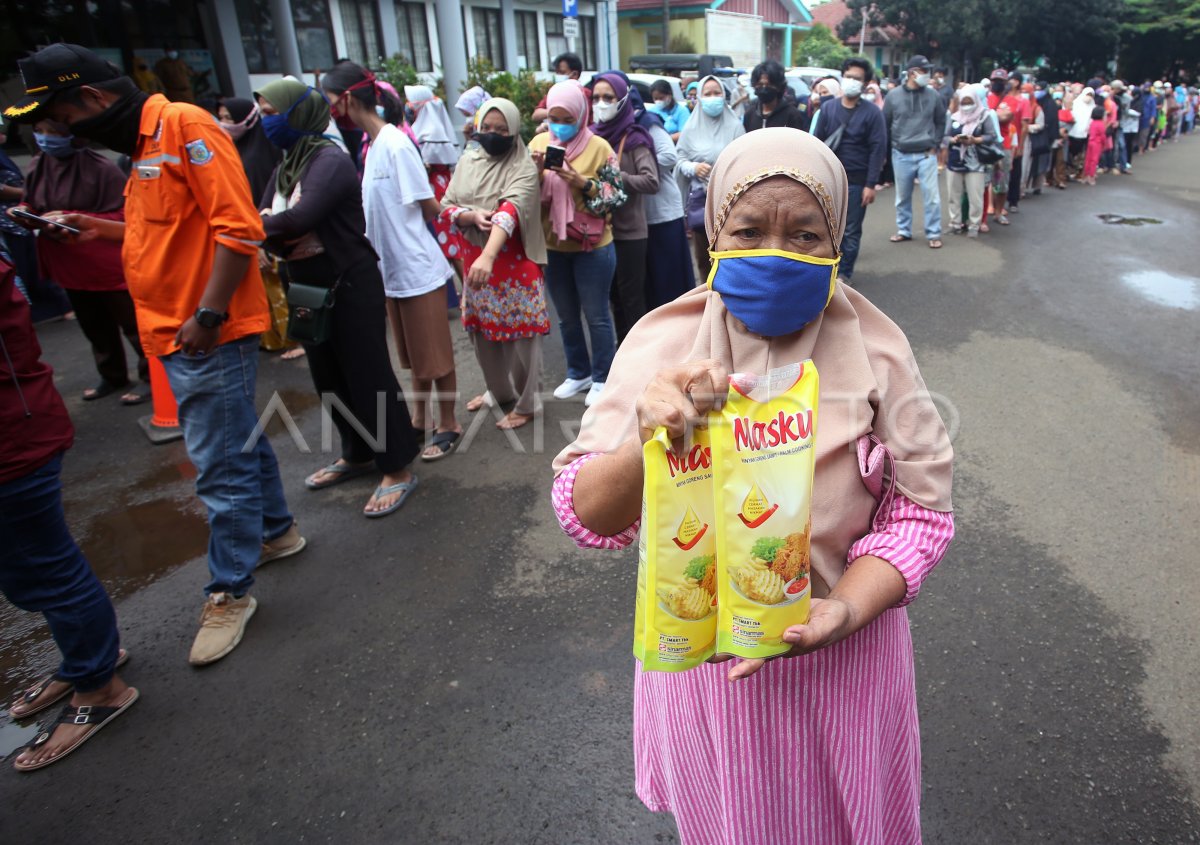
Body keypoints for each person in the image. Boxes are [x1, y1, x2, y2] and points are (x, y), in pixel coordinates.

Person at [550, 127, 954, 843]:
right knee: (733, 822)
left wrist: (847, 611)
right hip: (709, 670)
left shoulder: (879, 350)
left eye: (805, 235)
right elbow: (587, 513)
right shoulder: (660, 344)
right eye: (748, 229)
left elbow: (922, 513)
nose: (776, 252)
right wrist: (650, 437)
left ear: (836, 242)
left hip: (846, 662)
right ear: (711, 235)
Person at [7, 44, 308, 665]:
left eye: (59, 115)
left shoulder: (185, 126)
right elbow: (170, 230)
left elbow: (239, 229)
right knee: (235, 440)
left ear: (90, 100)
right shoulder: (142, 145)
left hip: (204, 330)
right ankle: (277, 532)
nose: (57, 130)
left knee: (218, 463)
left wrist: (208, 315)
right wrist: (95, 227)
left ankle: (230, 591)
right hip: (175, 327)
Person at [255, 77, 423, 513]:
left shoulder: (329, 160)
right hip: (306, 283)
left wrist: (266, 227)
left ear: (299, 114)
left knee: (367, 375)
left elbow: (298, 216)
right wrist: (270, 226)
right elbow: (269, 214)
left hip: (347, 281)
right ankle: (357, 452)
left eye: (273, 113)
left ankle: (396, 466)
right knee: (328, 375)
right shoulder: (289, 161)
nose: (265, 121)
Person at [0, 253, 138, 772]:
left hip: (14, 441)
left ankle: (99, 684)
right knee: (26, 570)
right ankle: (90, 659)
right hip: (18, 435)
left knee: (45, 566)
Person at [321, 63, 462, 461]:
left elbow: (429, 206)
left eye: (331, 101)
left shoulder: (397, 145)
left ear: (347, 99)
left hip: (417, 269)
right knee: (414, 357)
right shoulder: (371, 147)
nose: (331, 110)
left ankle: (448, 422)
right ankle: (419, 419)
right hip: (391, 272)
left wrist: (461, 217)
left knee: (436, 355)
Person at [11, 119, 150, 403]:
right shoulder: (39, 164)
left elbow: (127, 218)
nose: (47, 139)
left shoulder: (102, 169)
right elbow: (33, 202)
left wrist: (73, 218)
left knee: (135, 326)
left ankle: (151, 378)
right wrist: (24, 212)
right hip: (68, 264)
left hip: (106, 263)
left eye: (55, 132)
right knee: (94, 326)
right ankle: (112, 376)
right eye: (41, 132)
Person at [440, 98, 549, 431]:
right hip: (474, 262)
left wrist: (489, 254)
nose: (492, 134)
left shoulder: (523, 166)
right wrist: (470, 215)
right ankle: (499, 392)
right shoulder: (468, 161)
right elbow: (446, 204)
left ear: (514, 131)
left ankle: (528, 403)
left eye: (501, 130)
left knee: (522, 341)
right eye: (486, 128)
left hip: (512, 264)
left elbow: (510, 211)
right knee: (482, 335)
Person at [529, 81, 623, 406]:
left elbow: (616, 196)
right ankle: (578, 372)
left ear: (580, 115)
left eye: (566, 117)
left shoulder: (599, 147)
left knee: (596, 315)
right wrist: (537, 173)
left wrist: (583, 183)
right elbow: (525, 193)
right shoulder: (540, 142)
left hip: (592, 246)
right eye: (553, 116)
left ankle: (603, 377)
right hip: (554, 246)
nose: (559, 124)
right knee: (566, 316)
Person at [216, 98, 296, 356]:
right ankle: (271, 337)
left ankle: (293, 339)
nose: (225, 123)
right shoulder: (235, 150)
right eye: (222, 117)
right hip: (252, 230)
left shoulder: (259, 156)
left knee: (277, 288)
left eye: (229, 117)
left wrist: (261, 239)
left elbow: (265, 199)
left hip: (265, 230)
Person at [589, 72, 659, 346]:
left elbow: (651, 180)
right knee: (612, 298)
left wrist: (616, 178)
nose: (601, 103)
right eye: (596, 98)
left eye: (608, 97)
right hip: (598, 231)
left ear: (622, 100)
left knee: (631, 299)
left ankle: (637, 356)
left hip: (630, 232)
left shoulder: (634, 137)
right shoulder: (590, 137)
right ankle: (620, 353)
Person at [811, 58, 887, 284]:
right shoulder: (828, 109)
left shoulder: (873, 113)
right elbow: (816, 144)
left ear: (865, 85)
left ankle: (844, 274)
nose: (852, 81)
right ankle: (825, 269)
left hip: (857, 181)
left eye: (857, 78)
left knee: (851, 230)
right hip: (827, 179)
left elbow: (877, 149)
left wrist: (871, 184)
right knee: (824, 226)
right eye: (849, 76)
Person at [675, 76, 745, 282]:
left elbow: (745, 161)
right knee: (704, 260)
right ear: (699, 97)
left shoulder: (735, 126)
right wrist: (693, 168)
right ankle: (707, 304)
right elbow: (679, 159)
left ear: (724, 96)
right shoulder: (690, 128)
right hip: (702, 204)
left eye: (717, 93)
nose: (713, 98)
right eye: (708, 94)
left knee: (731, 257)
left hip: (733, 204)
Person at [637, 90, 694, 309]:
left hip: (663, 213)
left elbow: (670, 156)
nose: (602, 104)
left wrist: (637, 167)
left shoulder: (648, 123)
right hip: (635, 219)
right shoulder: (609, 130)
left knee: (669, 280)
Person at [883, 55, 945, 248]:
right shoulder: (893, 96)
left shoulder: (933, 95)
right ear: (912, 72)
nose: (927, 75)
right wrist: (890, 147)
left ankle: (933, 233)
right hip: (901, 152)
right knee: (902, 196)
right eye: (924, 71)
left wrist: (936, 142)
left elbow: (941, 120)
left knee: (932, 197)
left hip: (926, 152)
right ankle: (904, 230)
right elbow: (885, 123)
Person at [941, 85, 996, 238]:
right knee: (954, 194)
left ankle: (974, 224)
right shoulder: (953, 117)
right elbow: (944, 137)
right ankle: (955, 223)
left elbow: (991, 136)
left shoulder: (984, 116)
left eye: (969, 101)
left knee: (975, 195)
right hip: (954, 161)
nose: (966, 105)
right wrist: (953, 140)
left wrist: (975, 140)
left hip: (975, 162)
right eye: (963, 102)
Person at [744, 60, 806, 132]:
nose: (764, 88)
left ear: (779, 86)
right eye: (760, 84)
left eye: (769, 85)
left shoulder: (792, 115)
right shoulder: (750, 114)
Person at [532, 53, 588, 125]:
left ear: (575, 74)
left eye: (562, 73)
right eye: (557, 73)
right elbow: (536, 115)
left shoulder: (585, 94)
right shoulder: (554, 93)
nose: (558, 76)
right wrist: (555, 112)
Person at [1082, 105, 1106, 185]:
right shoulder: (1101, 124)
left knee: (1088, 159)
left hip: (1090, 142)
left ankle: (1085, 175)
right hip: (1097, 143)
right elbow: (1103, 135)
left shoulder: (1092, 122)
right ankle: (1091, 176)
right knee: (1094, 160)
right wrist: (1104, 143)